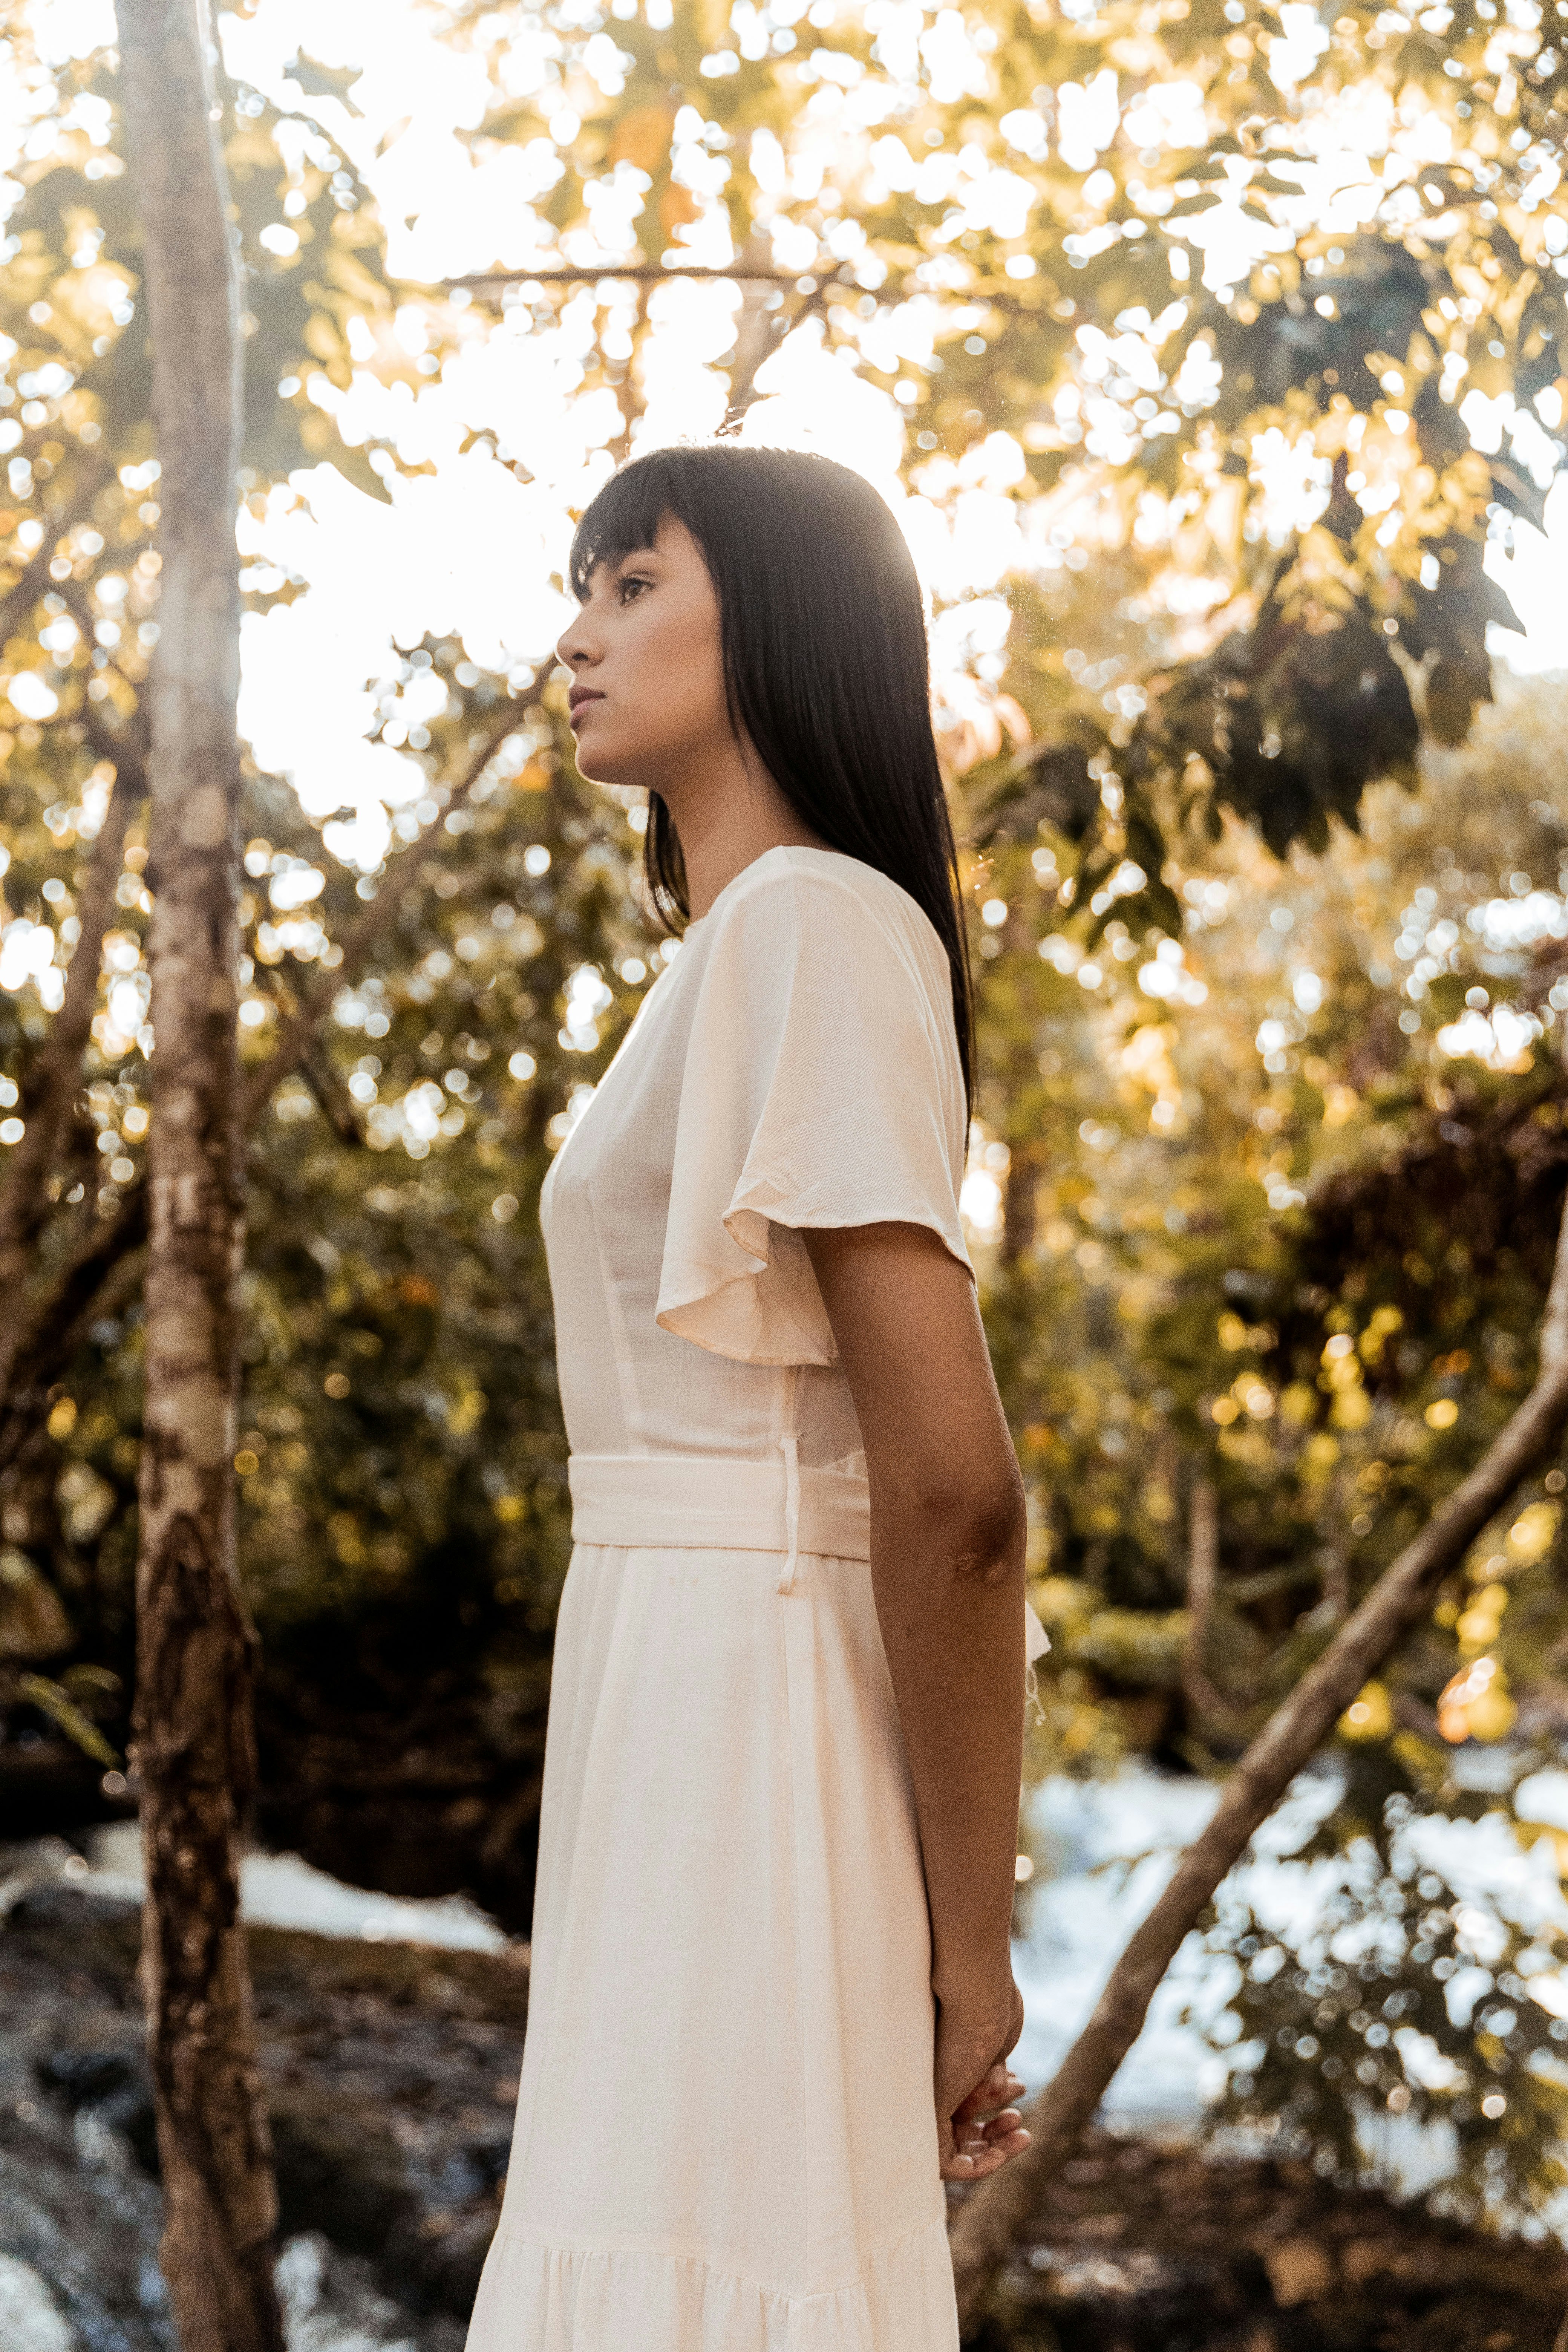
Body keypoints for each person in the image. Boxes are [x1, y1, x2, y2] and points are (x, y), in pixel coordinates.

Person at [466, 441, 1047, 2351]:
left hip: (755, 1701)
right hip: (669, 1687)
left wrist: (973, 1953)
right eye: (582, 586)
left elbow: (952, 1496)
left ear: (777, 616)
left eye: (632, 583)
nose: (576, 637)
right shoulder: (727, 956)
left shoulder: (809, 923)